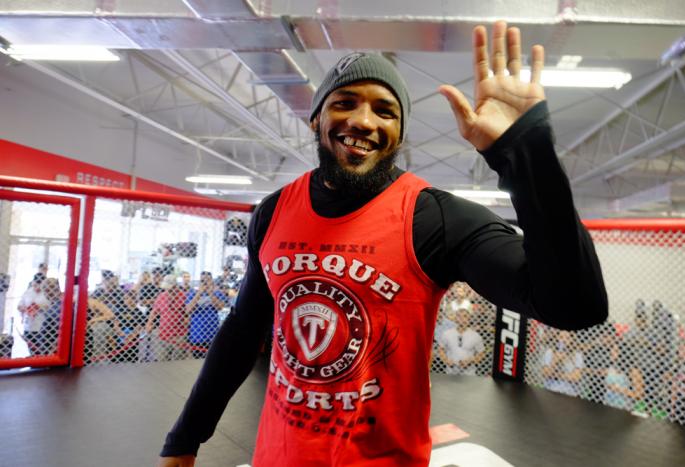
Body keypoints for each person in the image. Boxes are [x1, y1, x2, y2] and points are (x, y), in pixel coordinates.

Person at [158, 21, 608, 466]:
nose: (362, 121)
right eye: (345, 103)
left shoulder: (434, 218)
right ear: (317, 118)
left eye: (385, 110)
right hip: (279, 456)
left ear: (400, 133)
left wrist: (526, 152)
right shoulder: (273, 211)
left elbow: (574, 306)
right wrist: (184, 438)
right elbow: (242, 329)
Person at [146, 275, 189, 361]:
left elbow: (187, 313)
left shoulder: (183, 296)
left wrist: (186, 322)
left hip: (179, 335)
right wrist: (149, 323)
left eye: (170, 288)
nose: (168, 290)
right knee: (162, 361)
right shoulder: (161, 296)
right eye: (166, 288)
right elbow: (154, 311)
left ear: (176, 286)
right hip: (163, 334)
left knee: (178, 362)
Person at [185, 272, 226, 359]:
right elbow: (188, 310)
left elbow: (220, 307)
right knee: (197, 361)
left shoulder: (217, 293)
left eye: (207, 280)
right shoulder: (193, 293)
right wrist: (199, 293)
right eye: (203, 280)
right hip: (197, 335)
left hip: (212, 334)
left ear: (211, 281)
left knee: (212, 360)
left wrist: (210, 293)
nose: (205, 283)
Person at [437, 306, 486, 375]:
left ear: (469, 319)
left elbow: (481, 353)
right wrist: (446, 360)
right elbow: (440, 349)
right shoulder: (446, 334)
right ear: (455, 319)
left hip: (469, 374)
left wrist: (471, 361)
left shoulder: (476, 336)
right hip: (450, 373)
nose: (462, 318)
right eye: (459, 316)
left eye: (465, 316)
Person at [541, 330, 585, 397]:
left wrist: (556, 375)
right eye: (561, 337)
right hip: (550, 391)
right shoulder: (549, 352)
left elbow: (576, 377)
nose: (564, 340)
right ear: (557, 338)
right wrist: (555, 360)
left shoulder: (577, 355)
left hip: (570, 393)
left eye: (567, 338)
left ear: (571, 340)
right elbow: (545, 373)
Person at [17, 273, 49, 355]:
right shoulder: (28, 292)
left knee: (41, 350)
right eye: (36, 284)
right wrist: (28, 309)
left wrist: (40, 307)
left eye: (40, 284)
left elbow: (51, 307)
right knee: (31, 349)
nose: (37, 287)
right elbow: (19, 306)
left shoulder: (47, 293)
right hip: (28, 326)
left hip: (42, 327)